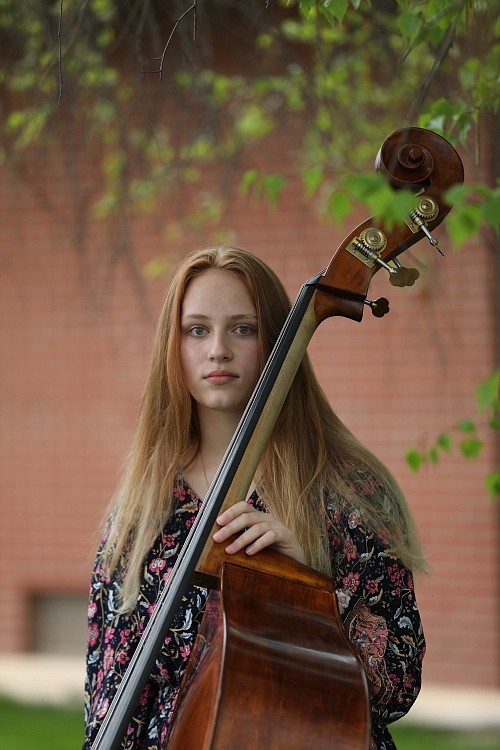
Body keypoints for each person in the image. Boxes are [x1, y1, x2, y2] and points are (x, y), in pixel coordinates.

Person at [83, 245, 426, 750]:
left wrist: (313, 587)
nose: (217, 348)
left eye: (242, 328)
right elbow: (106, 699)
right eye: (197, 329)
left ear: (277, 340)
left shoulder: (349, 493)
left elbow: (397, 687)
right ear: (172, 346)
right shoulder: (140, 510)